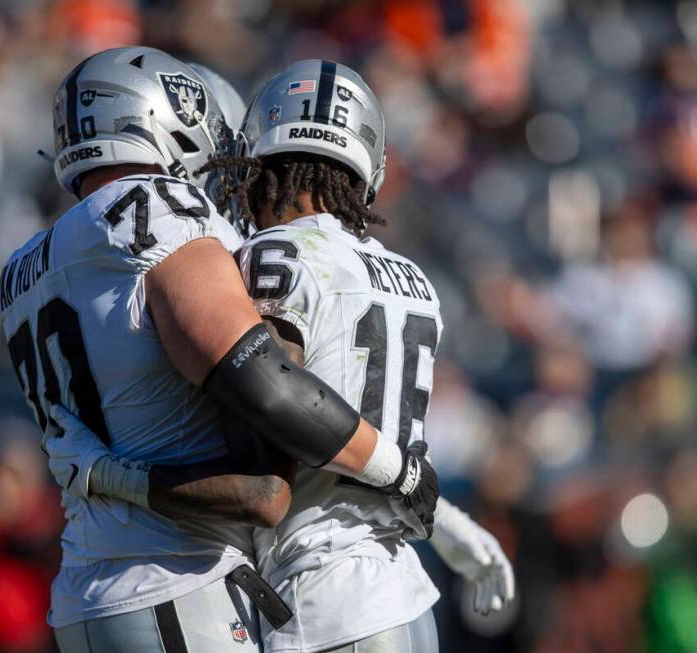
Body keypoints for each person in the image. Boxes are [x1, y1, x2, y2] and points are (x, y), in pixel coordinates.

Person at [57, 59, 515, 652]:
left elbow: (272, 423)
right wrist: (440, 515)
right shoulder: (411, 277)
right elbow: (361, 436)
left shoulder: (274, 257)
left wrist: (111, 476)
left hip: (324, 603)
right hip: (403, 589)